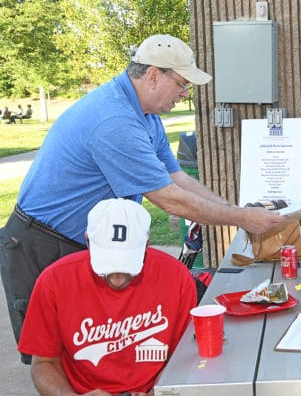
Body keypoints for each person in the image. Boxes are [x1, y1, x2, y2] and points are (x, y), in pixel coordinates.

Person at [0, 34, 284, 364]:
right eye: (182, 84)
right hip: (43, 244)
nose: (186, 94)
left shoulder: (147, 117)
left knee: (97, 352)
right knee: (55, 359)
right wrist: (241, 219)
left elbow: (177, 179)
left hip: (86, 242)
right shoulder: (115, 120)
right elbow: (169, 199)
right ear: (152, 75)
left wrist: (236, 211)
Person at [18, 198, 197, 395]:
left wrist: (160, 390)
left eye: (128, 268)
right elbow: (43, 363)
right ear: (87, 241)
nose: (118, 280)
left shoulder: (177, 277)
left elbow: (185, 355)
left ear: (146, 244)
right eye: (107, 267)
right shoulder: (54, 281)